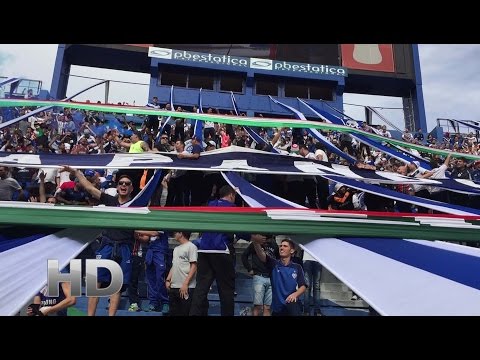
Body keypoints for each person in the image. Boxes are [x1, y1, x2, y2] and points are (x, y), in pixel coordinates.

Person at [60, 165, 135, 316]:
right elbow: (89, 188)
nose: (124, 186)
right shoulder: (109, 200)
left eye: (127, 184)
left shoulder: (136, 205)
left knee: (116, 287)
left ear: (132, 188)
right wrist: (76, 173)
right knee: (95, 285)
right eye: (121, 183)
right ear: (117, 186)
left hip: (125, 247)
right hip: (106, 246)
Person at [189, 185, 265, 316]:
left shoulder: (209, 205)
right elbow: (239, 228)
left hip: (204, 250)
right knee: (226, 291)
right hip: (221, 250)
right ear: (231, 195)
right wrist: (254, 237)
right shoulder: (232, 208)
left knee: (201, 289)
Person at [252, 236, 306, 316]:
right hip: (278, 308)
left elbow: (303, 286)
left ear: (292, 250)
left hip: (292, 306)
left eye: (285, 246)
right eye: (280, 246)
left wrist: (295, 294)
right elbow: (261, 255)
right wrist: (256, 242)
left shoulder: (297, 267)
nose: (281, 248)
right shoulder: (274, 264)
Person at [241, 234, 279, 316]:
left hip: (271, 277)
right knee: (258, 306)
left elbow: (277, 258)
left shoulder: (274, 245)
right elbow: (244, 256)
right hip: (259, 276)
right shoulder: (255, 243)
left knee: (268, 307)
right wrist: (249, 269)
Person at [165, 231, 198, 316]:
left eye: (176, 232)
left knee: (185, 312)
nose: (174, 234)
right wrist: (168, 279)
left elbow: (194, 266)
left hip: (186, 287)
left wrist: (185, 284)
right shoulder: (176, 249)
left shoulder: (191, 247)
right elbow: (174, 265)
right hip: (174, 286)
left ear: (181, 233)